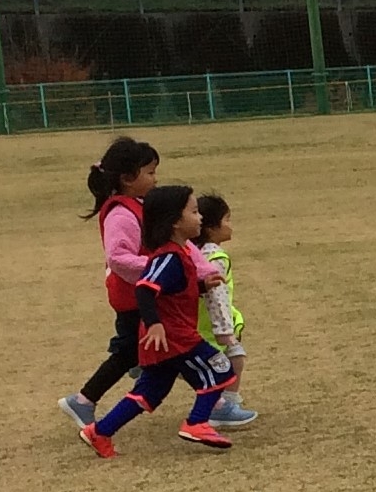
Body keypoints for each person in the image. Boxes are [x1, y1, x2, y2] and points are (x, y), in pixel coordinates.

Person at [80, 185, 239, 456]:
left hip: (166, 340)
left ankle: (100, 431)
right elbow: (144, 289)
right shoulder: (169, 257)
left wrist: (201, 286)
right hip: (173, 336)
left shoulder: (180, 253)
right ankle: (197, 423)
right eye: (194, 212)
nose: (200, 218)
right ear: (175, 222)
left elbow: (172, 290)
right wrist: (154, 324)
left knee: (149, 393)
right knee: (221, 369)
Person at [59, 137, 161, 428]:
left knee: (138, 349)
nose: (155, 179)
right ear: (128, 179)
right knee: (130, 350)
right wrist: (157, 267)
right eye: (150, 172)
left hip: (143, 292)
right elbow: (118, 258)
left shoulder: (137, 205)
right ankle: (83, 400)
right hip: (133, 295)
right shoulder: (121, 214)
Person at [195, 194, 258, 428]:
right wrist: (225, 330)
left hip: (197, 325)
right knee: (235, 358)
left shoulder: (194, 252)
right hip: (209, 328)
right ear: (211, 228)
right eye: (227, 219)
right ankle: (225, 406)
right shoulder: (216, 258)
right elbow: (217, 296)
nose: (230, 225)